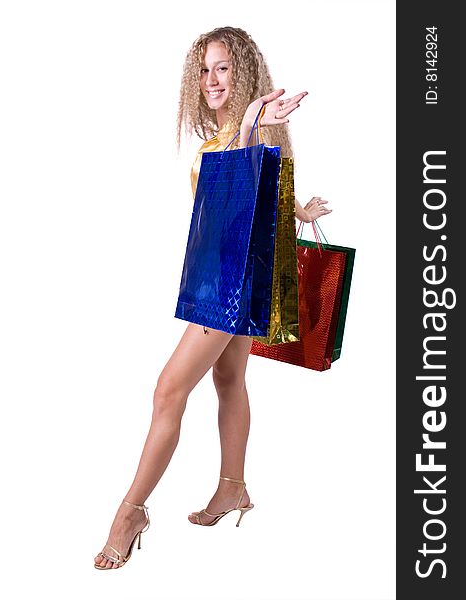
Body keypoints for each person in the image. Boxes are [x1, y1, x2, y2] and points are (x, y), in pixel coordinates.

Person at [94, 25, 332, 570]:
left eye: (223, 68)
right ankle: (233, 487)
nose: (211, 79)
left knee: (167, 391)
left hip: (228, 283)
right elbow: (258, 194)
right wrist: (300, 212)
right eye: (204, 70)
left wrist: (252, 119)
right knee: (229, 380)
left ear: (243, 72)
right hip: (220, 274)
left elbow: (251, 159)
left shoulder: (252, 132)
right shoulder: (218, 138)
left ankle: (129, 512)